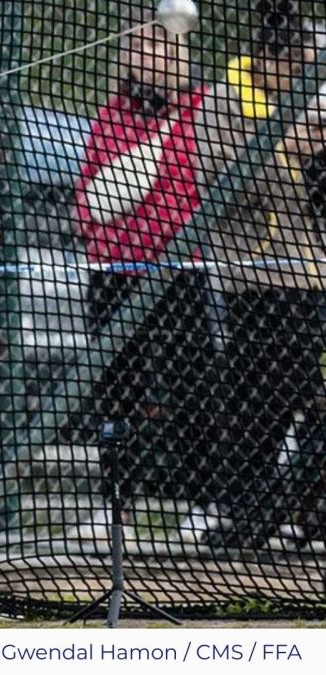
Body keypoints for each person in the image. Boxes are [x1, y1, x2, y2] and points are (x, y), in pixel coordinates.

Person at [69, 19, 221, 544]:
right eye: (135, 44)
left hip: (181, 275)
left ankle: (207, 504)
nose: (144, 52)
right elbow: (89, 203)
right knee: (116, 396)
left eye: (156, 41)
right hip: (116, 275)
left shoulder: (204, 107)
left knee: (193, 388)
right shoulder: (114, 114)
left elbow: (201, 188)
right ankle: (116, 512)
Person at [194, 0, 326, 552]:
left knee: (309, 397)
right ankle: (253, 512)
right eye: (288, 62)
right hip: (252, 279)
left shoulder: (314, 102)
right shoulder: (224, 101)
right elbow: (217, 183)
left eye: (303, 63)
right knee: (258, 401)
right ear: (263, 57)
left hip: (313, 277)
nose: (294, 72)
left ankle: (307, 509)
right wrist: (285, 147)